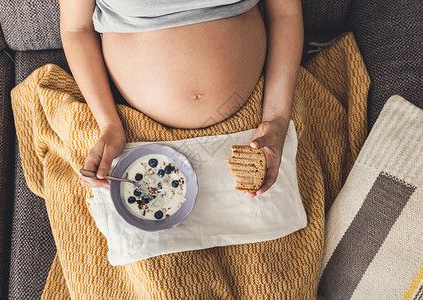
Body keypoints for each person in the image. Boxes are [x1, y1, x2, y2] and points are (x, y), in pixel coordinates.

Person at [59, 0, 303, 198]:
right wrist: (109, 124)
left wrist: (277, 116)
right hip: (131, 128)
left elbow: (285, 14)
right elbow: (76, 29)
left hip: (257, 118)